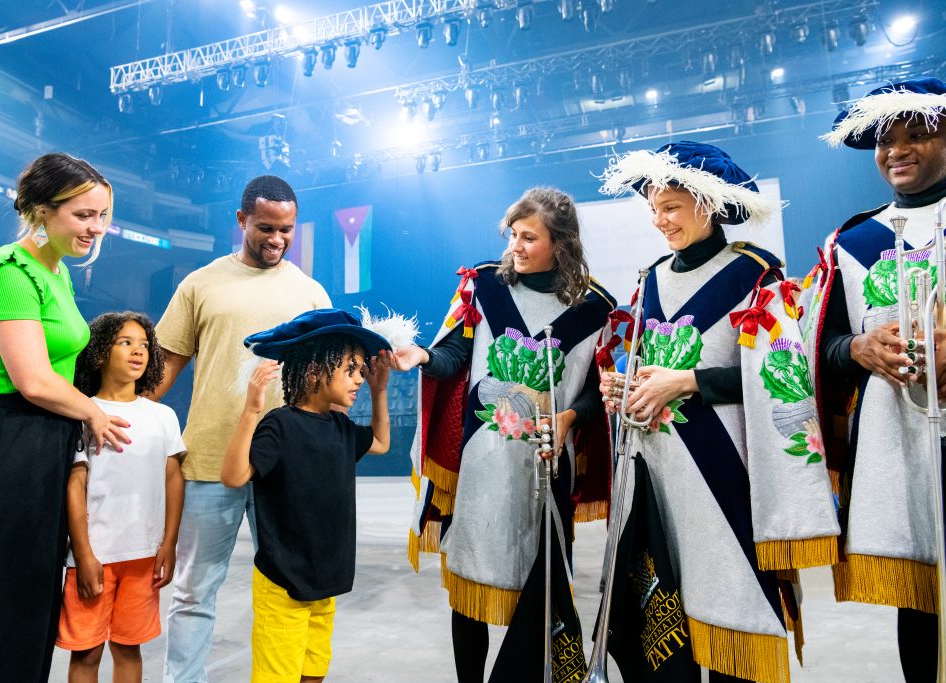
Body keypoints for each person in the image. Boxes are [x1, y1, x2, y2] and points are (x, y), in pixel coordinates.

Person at [598, 142, 840, 683]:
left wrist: (688, 382)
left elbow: (785, 377)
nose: (660, 221)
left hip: (727, 473)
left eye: (671, 208)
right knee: (668, 620)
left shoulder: (755, 274)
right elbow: (647, 366)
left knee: (732, 616)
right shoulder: (650, 278)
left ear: (707, 202)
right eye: (653, 210)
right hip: (659, 479)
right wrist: (627, 387)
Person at [0, 153, 130, 682]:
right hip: (1, 444)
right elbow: (32, 380)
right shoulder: (9, 272)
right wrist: (93, 413)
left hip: (39, 444)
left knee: (28, 604)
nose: (96, 227)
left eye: (102, 214)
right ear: (41, 210)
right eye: (83, 215)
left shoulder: (56, 273)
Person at [393, 187, 615, 681]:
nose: (515, 245)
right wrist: (423, 357)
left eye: (529, 237)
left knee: (539, 595)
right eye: (512, 234)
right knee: (470, 586)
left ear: (561, 243)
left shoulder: (596, 308)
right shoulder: (484, 287)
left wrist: (570, 418)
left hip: (545, 469)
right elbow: (453, 358)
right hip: (481, 465)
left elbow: (598, 392)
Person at [153, 175, 331, 682]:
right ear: (241, 221)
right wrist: (124, 416)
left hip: (286, 466)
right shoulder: (200, 284)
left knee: (293, 588)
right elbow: (166, 366)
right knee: (193, 591)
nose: (276, 239)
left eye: (286, 230)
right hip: (209, 459)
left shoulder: (311, 294)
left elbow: (328, 382)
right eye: (265, 228)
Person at [802, 76, 946, 683]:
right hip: (897, 453)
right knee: (919, 617)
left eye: (919, 134)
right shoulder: (851, 241)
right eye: (888, 141)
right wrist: (858, 348)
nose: (899, 151)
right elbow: (820, 348)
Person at [220, 308, 392, 683]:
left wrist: (380, 392)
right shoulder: (280, 425)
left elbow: (380, 442)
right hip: (283, 581)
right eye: (350, 369)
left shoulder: (340, 427)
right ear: (314, 371)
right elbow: (233, 476)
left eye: (361, 370)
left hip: (324, 578)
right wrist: (251, 411)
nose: (359, 379)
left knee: (313, 673)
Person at [58, 312, 186, 683]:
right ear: (99, 353)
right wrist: (82, 554)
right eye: (125, 342)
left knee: (129, 649)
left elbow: (173, 478)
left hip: (144, 557)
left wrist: (169, 543)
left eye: (145, 345)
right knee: (87, 653)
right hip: (94, 556)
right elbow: (74, 486)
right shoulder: (82, 412)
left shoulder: (163, 416)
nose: (138, 351)